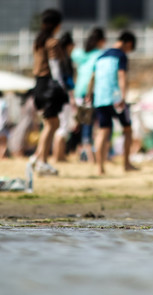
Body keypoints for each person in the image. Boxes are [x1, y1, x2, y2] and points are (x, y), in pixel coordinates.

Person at [86, 31, 138, 175]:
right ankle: (126, 164)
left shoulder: (100, 56)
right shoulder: (121, 55)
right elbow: (122, 75)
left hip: (100, 98)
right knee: (127, 129)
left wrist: (89, 94)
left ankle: (99, 168)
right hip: (116, 98)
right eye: (130, 48)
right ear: (128, 43)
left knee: (103, 131)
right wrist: (123, 96)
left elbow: (92, 77)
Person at [29, 8, 69, 176]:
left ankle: (37, 158)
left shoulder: (38, 42)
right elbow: (54, 67)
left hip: (39, 84)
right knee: (52, 124)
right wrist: (61, 85)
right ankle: (42, 162)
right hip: (49, 85)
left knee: (51, 124)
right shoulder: (52, 42)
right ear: (57, 25)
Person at [71, 27, 106, 163]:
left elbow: (73, 53)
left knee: (84, 124)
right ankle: (92, 157)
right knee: (94, 125)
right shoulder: (100, 55)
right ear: (101, 41)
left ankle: (83, 154)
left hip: (79, 92)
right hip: (91, 93)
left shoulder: (81, 55)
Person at [52, 32, 76, 163]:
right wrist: (72, 96)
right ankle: (58, 155)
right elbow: (68, 81)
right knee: (63, 126)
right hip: (64, 96)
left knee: (60, 126)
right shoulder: (66, 60)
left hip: (55, 96)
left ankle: (59, 154)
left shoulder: (57, 59)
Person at [0, 91, 8, 159]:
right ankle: (2, 156)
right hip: (2, 125)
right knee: (3, 142)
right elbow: (6, 115)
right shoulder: (3, 102)